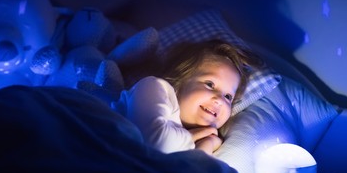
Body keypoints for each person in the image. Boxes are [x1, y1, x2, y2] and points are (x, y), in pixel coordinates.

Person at [111, 40, 263, 154]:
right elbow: (154, 142)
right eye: (210, 84)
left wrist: (207, 144)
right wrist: (198, 136)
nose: (220, 100)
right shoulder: (153, 87)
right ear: (180, 79)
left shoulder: (192, 139)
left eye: (228, 96)